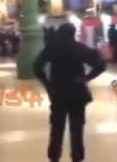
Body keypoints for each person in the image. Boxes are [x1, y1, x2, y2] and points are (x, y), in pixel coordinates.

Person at [34, 23, 106, 162]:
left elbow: (37, 66)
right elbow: (101, 64)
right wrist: (86, 78)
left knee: (56, 128)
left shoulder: (53, 48)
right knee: (77, 128)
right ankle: (77, 157)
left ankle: (54, 157)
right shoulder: (79, 48)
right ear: (73, 34)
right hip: (77, 93)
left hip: (58, 93)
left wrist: (47, 84)